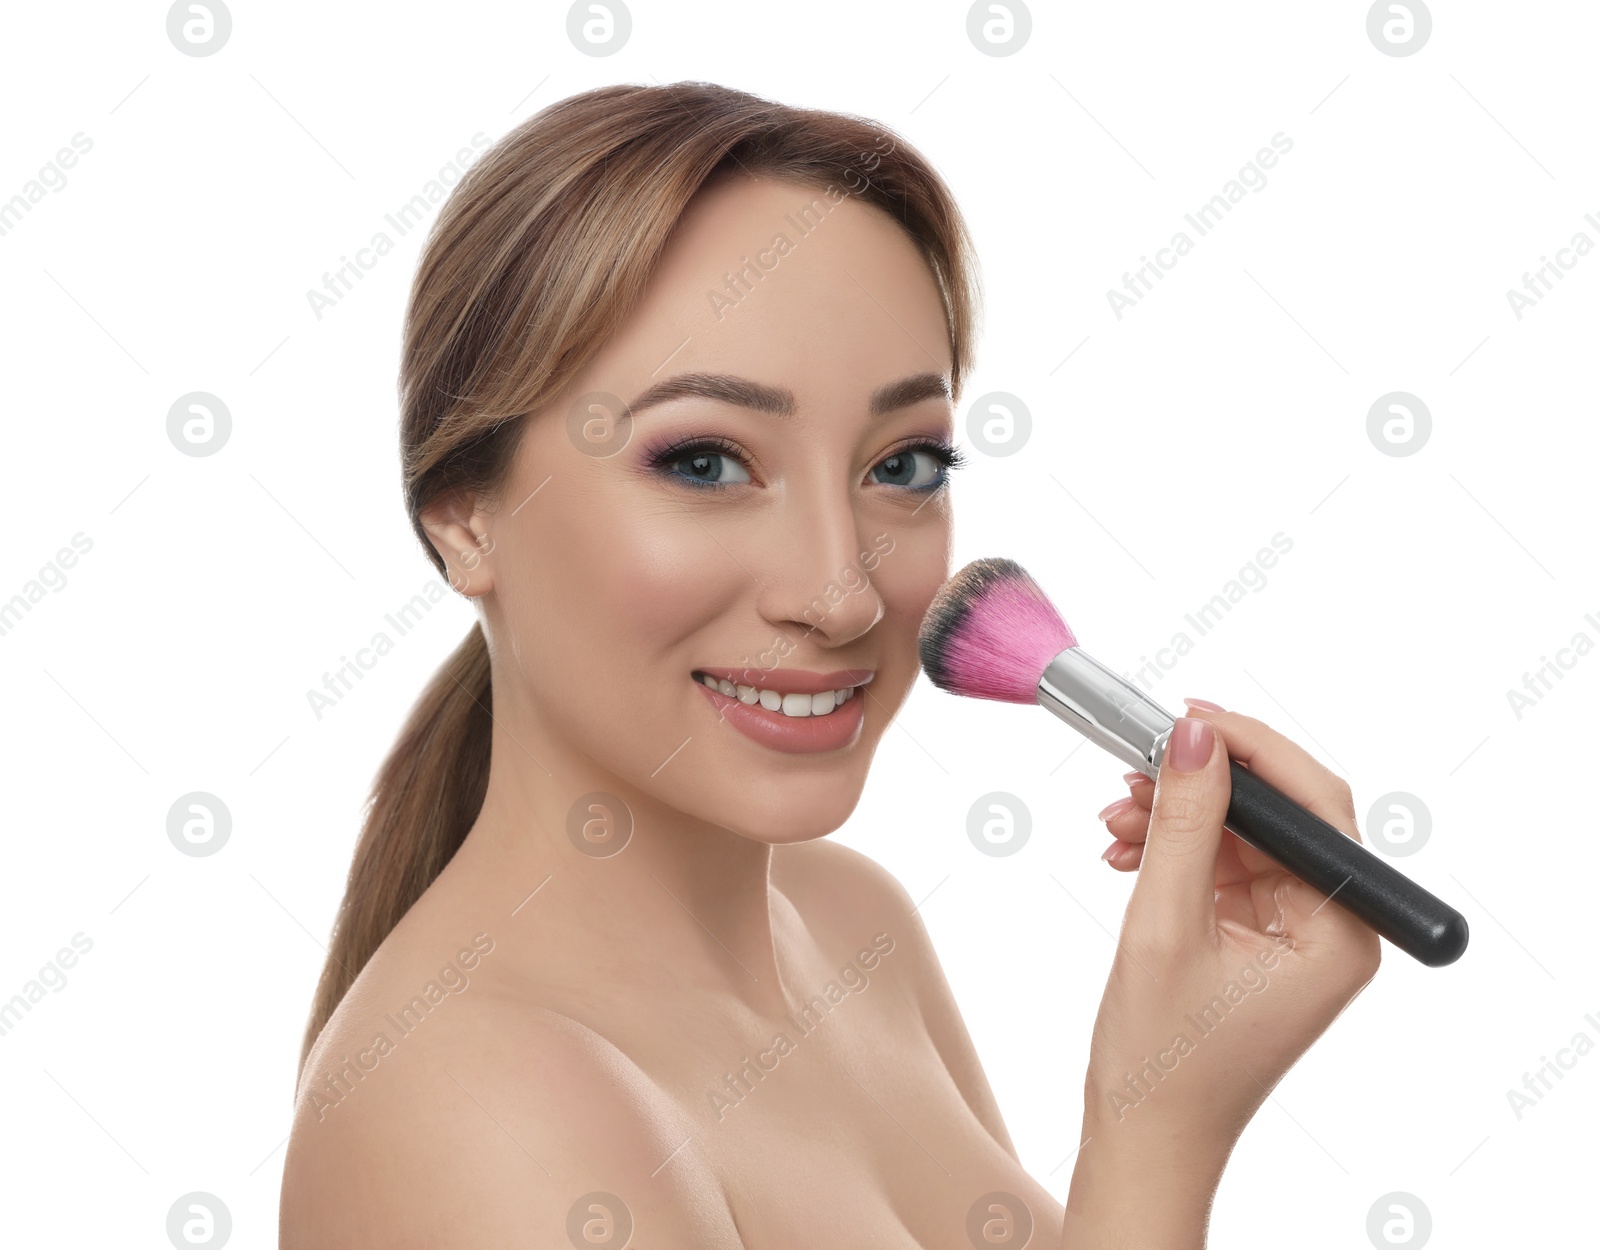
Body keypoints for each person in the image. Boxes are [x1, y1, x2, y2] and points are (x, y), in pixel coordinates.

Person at [279, 80, 1380, 1248]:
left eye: (901, 465)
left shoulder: (856, 927)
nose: (844, 591)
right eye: (704, 461)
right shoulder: (475, 1110)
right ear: (464, 520)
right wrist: (1155, 1126)